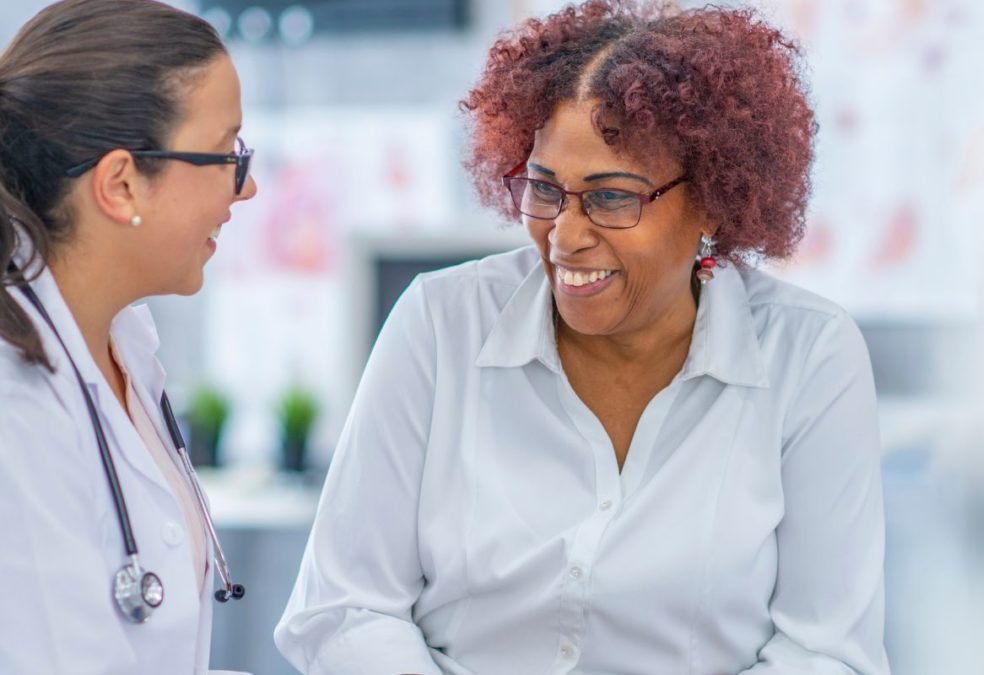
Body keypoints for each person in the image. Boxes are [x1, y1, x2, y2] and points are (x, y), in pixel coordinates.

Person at [275, 1, 888, 673]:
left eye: (612, 196)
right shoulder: (440, 324)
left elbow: (825, 652)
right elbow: (343, 608)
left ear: (714, 200)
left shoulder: (809, 356)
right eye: (545, 189)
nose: (564, 236)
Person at [0, 1, 256, 673]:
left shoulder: (125, 348)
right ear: (120, 185)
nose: (248, 186)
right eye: (227, 155)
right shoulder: (14, 403)